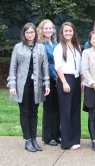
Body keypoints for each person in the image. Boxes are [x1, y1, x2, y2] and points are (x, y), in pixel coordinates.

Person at [7, 22, 50, 152]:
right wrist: (12, 85)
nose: (30, 34)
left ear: (35, 33)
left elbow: (45, 67)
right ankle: (27, 140)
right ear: (24, 34)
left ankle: (34, 139)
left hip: (36, 85)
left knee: (34, 112)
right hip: (22, 85)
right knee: (25, 112)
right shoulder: (18, 47)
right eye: (27, 32)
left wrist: (46, 84)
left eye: (32, 32)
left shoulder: (41, 47)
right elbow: (13, 67)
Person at [54, 22, 82, 150]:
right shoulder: (59, 47)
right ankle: (66, 141)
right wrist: (64, 82)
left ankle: (76, 139)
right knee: (66, 111)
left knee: (75, 110)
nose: (68, 33)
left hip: (76, 79)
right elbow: (58, 67)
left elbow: (80, 66)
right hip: (66, 79)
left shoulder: (77, 46)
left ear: (73, 32)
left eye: (70, 31)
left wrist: (81, 81)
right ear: (62, 33)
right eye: (66, 31)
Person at [37, 19, 61, 146]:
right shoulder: (40, 44)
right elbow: (45, 63)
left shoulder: (55, 42)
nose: (48, 30)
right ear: (41, 29)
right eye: (46, 28)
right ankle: (48, 137)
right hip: (48, 79)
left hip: (58, 77)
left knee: (57, 108)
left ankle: (57, 135)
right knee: (49, 108)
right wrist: (54, 76)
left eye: (50, 28)